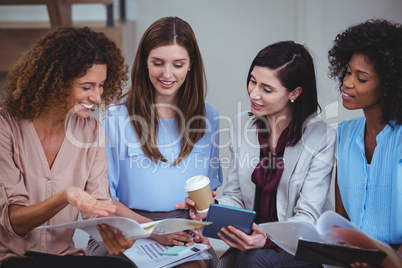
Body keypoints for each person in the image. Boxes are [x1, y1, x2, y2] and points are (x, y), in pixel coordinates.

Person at [177, 41, 336, 267]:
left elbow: (308, 218)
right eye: (253, 81)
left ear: (294, 92)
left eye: (267, 89)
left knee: (252, 260)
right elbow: (236, 196)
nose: (254, 93)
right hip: (249, 242)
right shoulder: (241, 125)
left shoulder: (321, 136)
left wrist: (267, 239)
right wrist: (211, 208)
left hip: (298, 246)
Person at [86, 16, 222, 267]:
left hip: (183, 232)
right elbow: (104, 200)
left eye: (178, 64)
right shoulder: (115, 117)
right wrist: (154, 229)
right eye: (158, 63)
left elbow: (208, 195)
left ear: (191, 64)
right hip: (126, 228)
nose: (167, 74)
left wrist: (202, 215)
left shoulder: (209, 116)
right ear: (144, 63)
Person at [0, 26, 134, 267]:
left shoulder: (92, 132)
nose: (97, 97)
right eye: (87, 87)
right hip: (12, 259)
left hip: (63, 258)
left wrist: (117, 230)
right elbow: (15, 222)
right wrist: (66, 197)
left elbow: (97, 205)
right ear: (56, 82)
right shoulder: (6, 127)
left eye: (101, 85)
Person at [328, 19, 402, 267]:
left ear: (388, 87)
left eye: (361, 78)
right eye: (348, 72)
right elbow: (342, 222)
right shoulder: (344, 134)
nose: (347, 83)